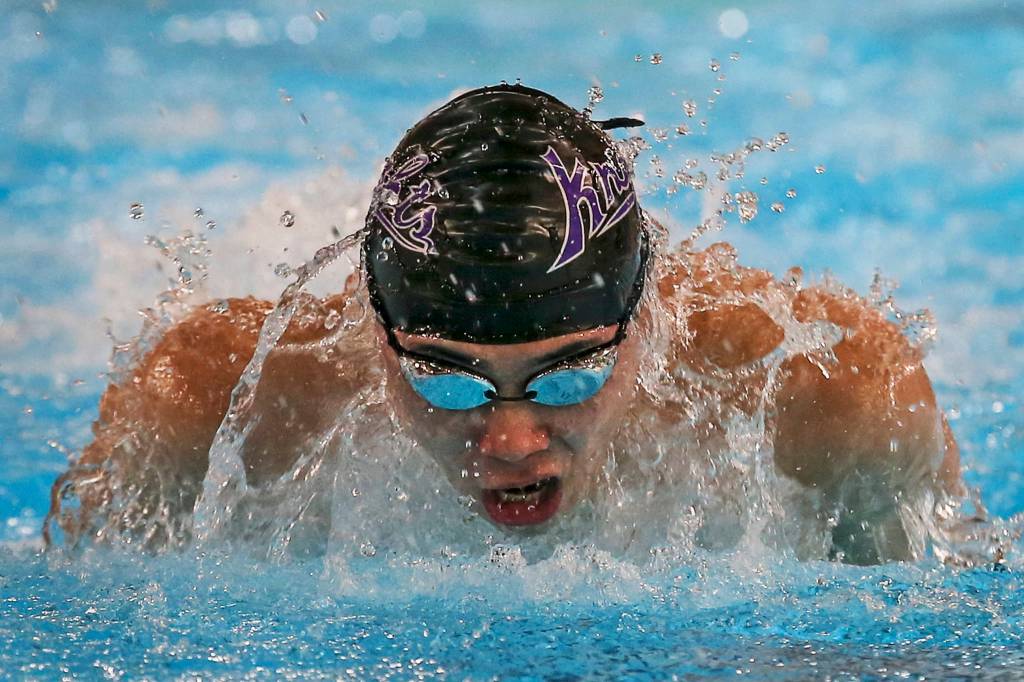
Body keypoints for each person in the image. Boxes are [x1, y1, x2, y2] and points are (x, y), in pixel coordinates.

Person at [46, 84, 966, 564]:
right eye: (444, 378)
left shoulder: (836, 399)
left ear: (649, 315)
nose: (512, 442)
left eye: (571, 373)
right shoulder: (209, 413)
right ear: (377, 333)